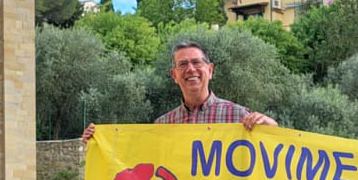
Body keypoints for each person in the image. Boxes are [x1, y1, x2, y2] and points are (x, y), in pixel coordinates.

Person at [81, 39, 277, 140]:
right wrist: (98, 140)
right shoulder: (162, 125)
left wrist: (271, 127)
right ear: (174, 75)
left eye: (196, 63)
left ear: (209, 70)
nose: (190, 69)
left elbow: (270, 155)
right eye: (183, 64)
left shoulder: (239, 116)